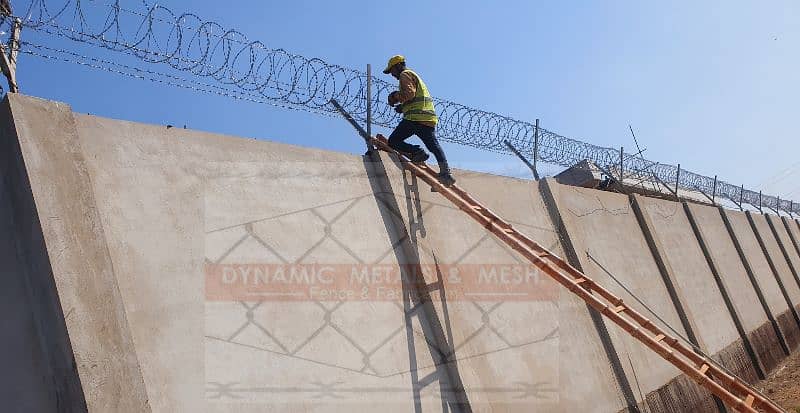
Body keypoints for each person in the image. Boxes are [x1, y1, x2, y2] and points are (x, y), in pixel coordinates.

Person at [383, 55, 455, 186]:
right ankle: (446, 173)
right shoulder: (414, 75)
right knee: (434, 146)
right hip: (427, 118)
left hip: (414, 119)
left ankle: (418, 152)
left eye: (392, 70)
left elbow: (409, 94)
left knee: (393, 141)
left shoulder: (405, 75)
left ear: (398, 66)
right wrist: (403, 107)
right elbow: (414, 98)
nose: (392, 74)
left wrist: (394, 96)